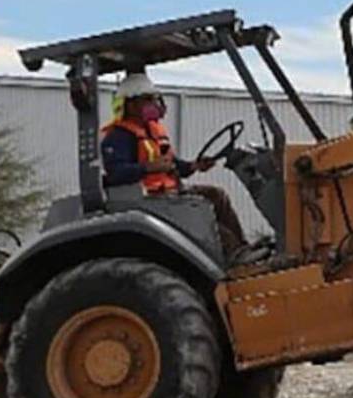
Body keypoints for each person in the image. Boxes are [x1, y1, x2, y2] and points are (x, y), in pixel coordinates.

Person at [101, 72, 249, 261]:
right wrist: (148, 168)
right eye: (148, 99)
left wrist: (195, 165)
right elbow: (115, 174)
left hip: (171, 192)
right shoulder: (118, 137)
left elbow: (173, 163)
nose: (155, 104)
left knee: (217, 195)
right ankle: (234, 255)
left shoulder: (153, 130)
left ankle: (243, 249)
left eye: (155, 98)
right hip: (149, 200)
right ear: (130, 104)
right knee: (206, 217)